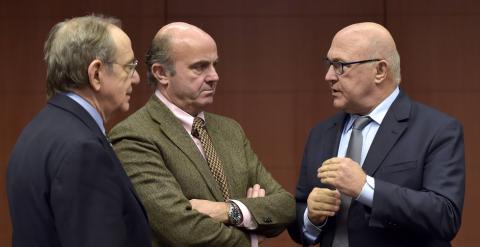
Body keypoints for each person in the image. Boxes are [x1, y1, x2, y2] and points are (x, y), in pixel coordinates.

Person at [109, 22, 295, 247]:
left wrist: (230, 211)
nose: (214, 76)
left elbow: (285, 206)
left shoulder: (230, 130)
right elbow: (182, 229)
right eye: (200, 67)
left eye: (214, 65)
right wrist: (253, 235)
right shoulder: (134, 135)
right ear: (161, 73)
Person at [288, 22, 465, 247]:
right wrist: (311, 218)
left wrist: (365, 188)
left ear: (380, 71)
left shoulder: (437, 130)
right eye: (329, 64)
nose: (329, 76)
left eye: (340, 65)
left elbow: (445, 217)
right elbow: (300, 223)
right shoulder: (321, 133)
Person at [6, 15, 151, 247]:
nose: (136, 78)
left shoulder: (37, 131)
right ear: (96, 74)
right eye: (129, 67)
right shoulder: (82, 149)